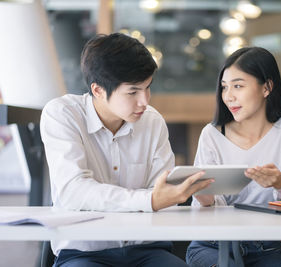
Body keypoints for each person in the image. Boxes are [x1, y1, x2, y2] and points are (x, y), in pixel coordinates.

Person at [40, 33, 213, 267]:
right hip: (85, 252)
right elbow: (74, 191)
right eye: (133, 92)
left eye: (148, 88)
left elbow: (164, 193)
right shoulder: (62, 114)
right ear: (98, 90)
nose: (144, 101)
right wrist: (149, 200)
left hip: (146, 250)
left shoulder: (152, 121)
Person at [185, 47, 281, 267]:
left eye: (238, 86)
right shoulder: (213, 134)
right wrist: (202, 196)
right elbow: (207, 209)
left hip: (266, 247)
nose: (228, 96)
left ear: (267, 87)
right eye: (224, 87)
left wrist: (280, 181)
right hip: (212, 245)